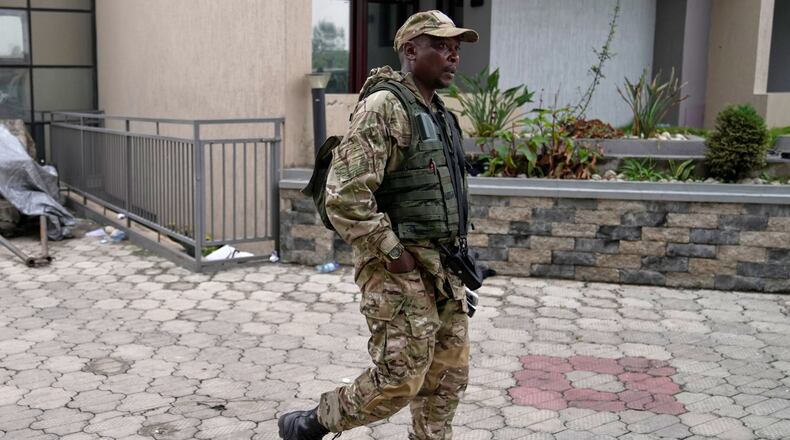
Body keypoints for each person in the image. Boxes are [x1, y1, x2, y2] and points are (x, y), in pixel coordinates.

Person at [278, 10, 479, 440]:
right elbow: (345, 196)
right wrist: (394, 254)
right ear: (410, 50)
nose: (453, 56)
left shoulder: (440, 113)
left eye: (456, 48)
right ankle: (313, 423)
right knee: (398, 378)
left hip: (443, 268)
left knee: (447, 376)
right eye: (442, 46)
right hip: (397, 268)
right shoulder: (384, 106)